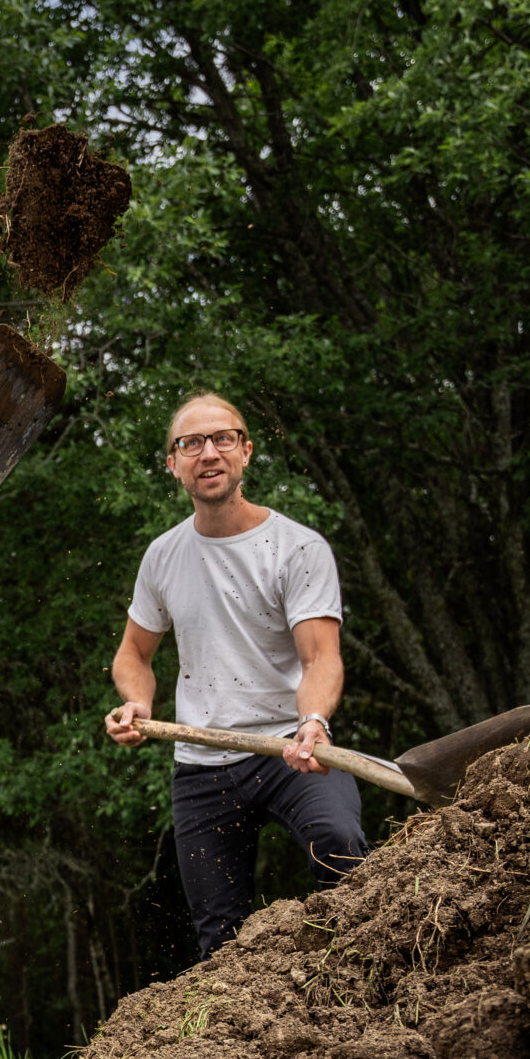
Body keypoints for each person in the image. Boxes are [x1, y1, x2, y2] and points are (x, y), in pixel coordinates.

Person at [104, 393, 364, 958]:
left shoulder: (297, 548)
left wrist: (313, 721)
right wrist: (138, 704)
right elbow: (132, 655)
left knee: (343, 849)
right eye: (190, 443)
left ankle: (355, 995)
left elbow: (321, 658)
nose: (208, 452)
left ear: (246, 452)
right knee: (219, 937)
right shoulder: (163, 557)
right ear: (173, 464)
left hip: (288, 750)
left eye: (223, 438)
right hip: (203, 765)